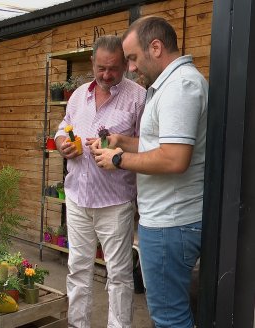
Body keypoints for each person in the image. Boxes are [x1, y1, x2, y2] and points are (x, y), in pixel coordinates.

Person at [92, 16, 208, 328]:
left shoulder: (180, 87)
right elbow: (159, 142)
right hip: (167, 221)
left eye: (132, 58)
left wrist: (117, 160)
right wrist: (124, 142)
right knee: (168, 315)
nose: (130, 68)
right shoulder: (169, 86)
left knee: (170, 319)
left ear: (155, 47)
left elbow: (173, 158)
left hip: (171, 223)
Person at [54, 35, 146, 328]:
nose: (107, 75)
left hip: (114, 201)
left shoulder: (138, 97)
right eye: (101, 68)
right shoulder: (79, 94)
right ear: (92, 63)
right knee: (77, 269)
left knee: (118, 275)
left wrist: (117, 149)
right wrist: (61, 144)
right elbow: (62, 128)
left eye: (114, 68)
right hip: (77, 197)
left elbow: (148, 143)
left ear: (125, 64)